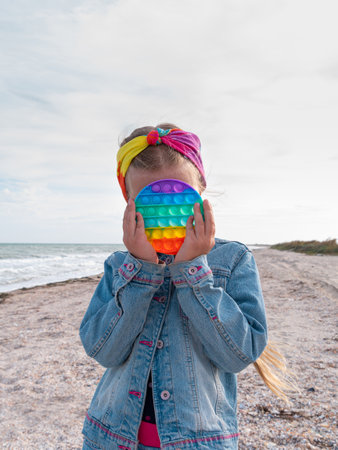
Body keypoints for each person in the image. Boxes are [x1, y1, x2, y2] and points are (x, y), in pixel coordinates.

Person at [79, 124, 290, 450]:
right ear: (129, 201)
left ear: (200, 188)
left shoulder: (232, 259)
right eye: (150, 203)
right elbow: (103, 350)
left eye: (177, 197)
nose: (165, 215)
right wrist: (142, 270)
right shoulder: (120, 266)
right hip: (111, 439)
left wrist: (192, 270)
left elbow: (238, 355)